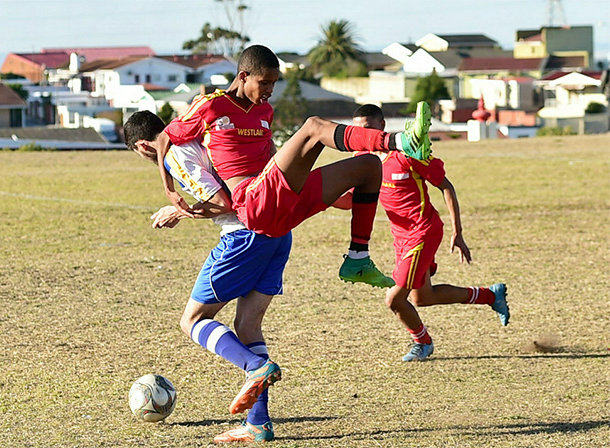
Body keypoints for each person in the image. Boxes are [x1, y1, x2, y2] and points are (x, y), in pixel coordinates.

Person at [149, 44, 433, 291]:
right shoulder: (211, 105)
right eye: (265, 82)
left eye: (274, 82)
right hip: (253, 202)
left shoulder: (265, 111)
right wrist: (169, 190)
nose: (270, 90)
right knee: (314, 127)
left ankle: (357, 258)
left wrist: (329, 194)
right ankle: (401, 141)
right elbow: (164, 138)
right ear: (243, 76)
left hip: (279, 203)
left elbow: (273, 156)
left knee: (369, 165)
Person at [125, 110, 289, 443]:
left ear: (143, 146)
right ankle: (259, 423)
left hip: (245, 236)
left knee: (193, 320)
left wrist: (180, 210)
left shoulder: (173, 154)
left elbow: (222, 201)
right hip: (278, 231)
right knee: (247, 326)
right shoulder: (196, 137)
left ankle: (254, 367)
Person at [350, 104, 510, 362]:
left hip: (423, 232)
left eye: (367, 129)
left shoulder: (408, 153)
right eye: (357, 130)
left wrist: (458, 231)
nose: (363, 135)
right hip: (400, 238)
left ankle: (422, 343)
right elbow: (353, 199)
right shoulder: (362, 162)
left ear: (381, 127)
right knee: (424, 297)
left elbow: (446, 187)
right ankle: (491, 295)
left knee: (394, 299)